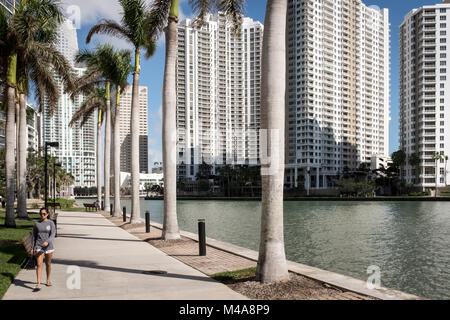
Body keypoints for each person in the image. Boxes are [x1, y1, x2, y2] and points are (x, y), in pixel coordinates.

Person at [32, 208, 56, 291]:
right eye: (41, 214)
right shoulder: (36, 224)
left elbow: (53, 234)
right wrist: (33, 247)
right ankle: (38, 283)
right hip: (39, 246)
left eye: (44, 214)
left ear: (47, 214)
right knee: (39, 264)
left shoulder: (51, 223)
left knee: (48, 264)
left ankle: (48, 280)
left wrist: (47, 241)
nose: (42, 215)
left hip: (49, 247)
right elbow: (33, 236)